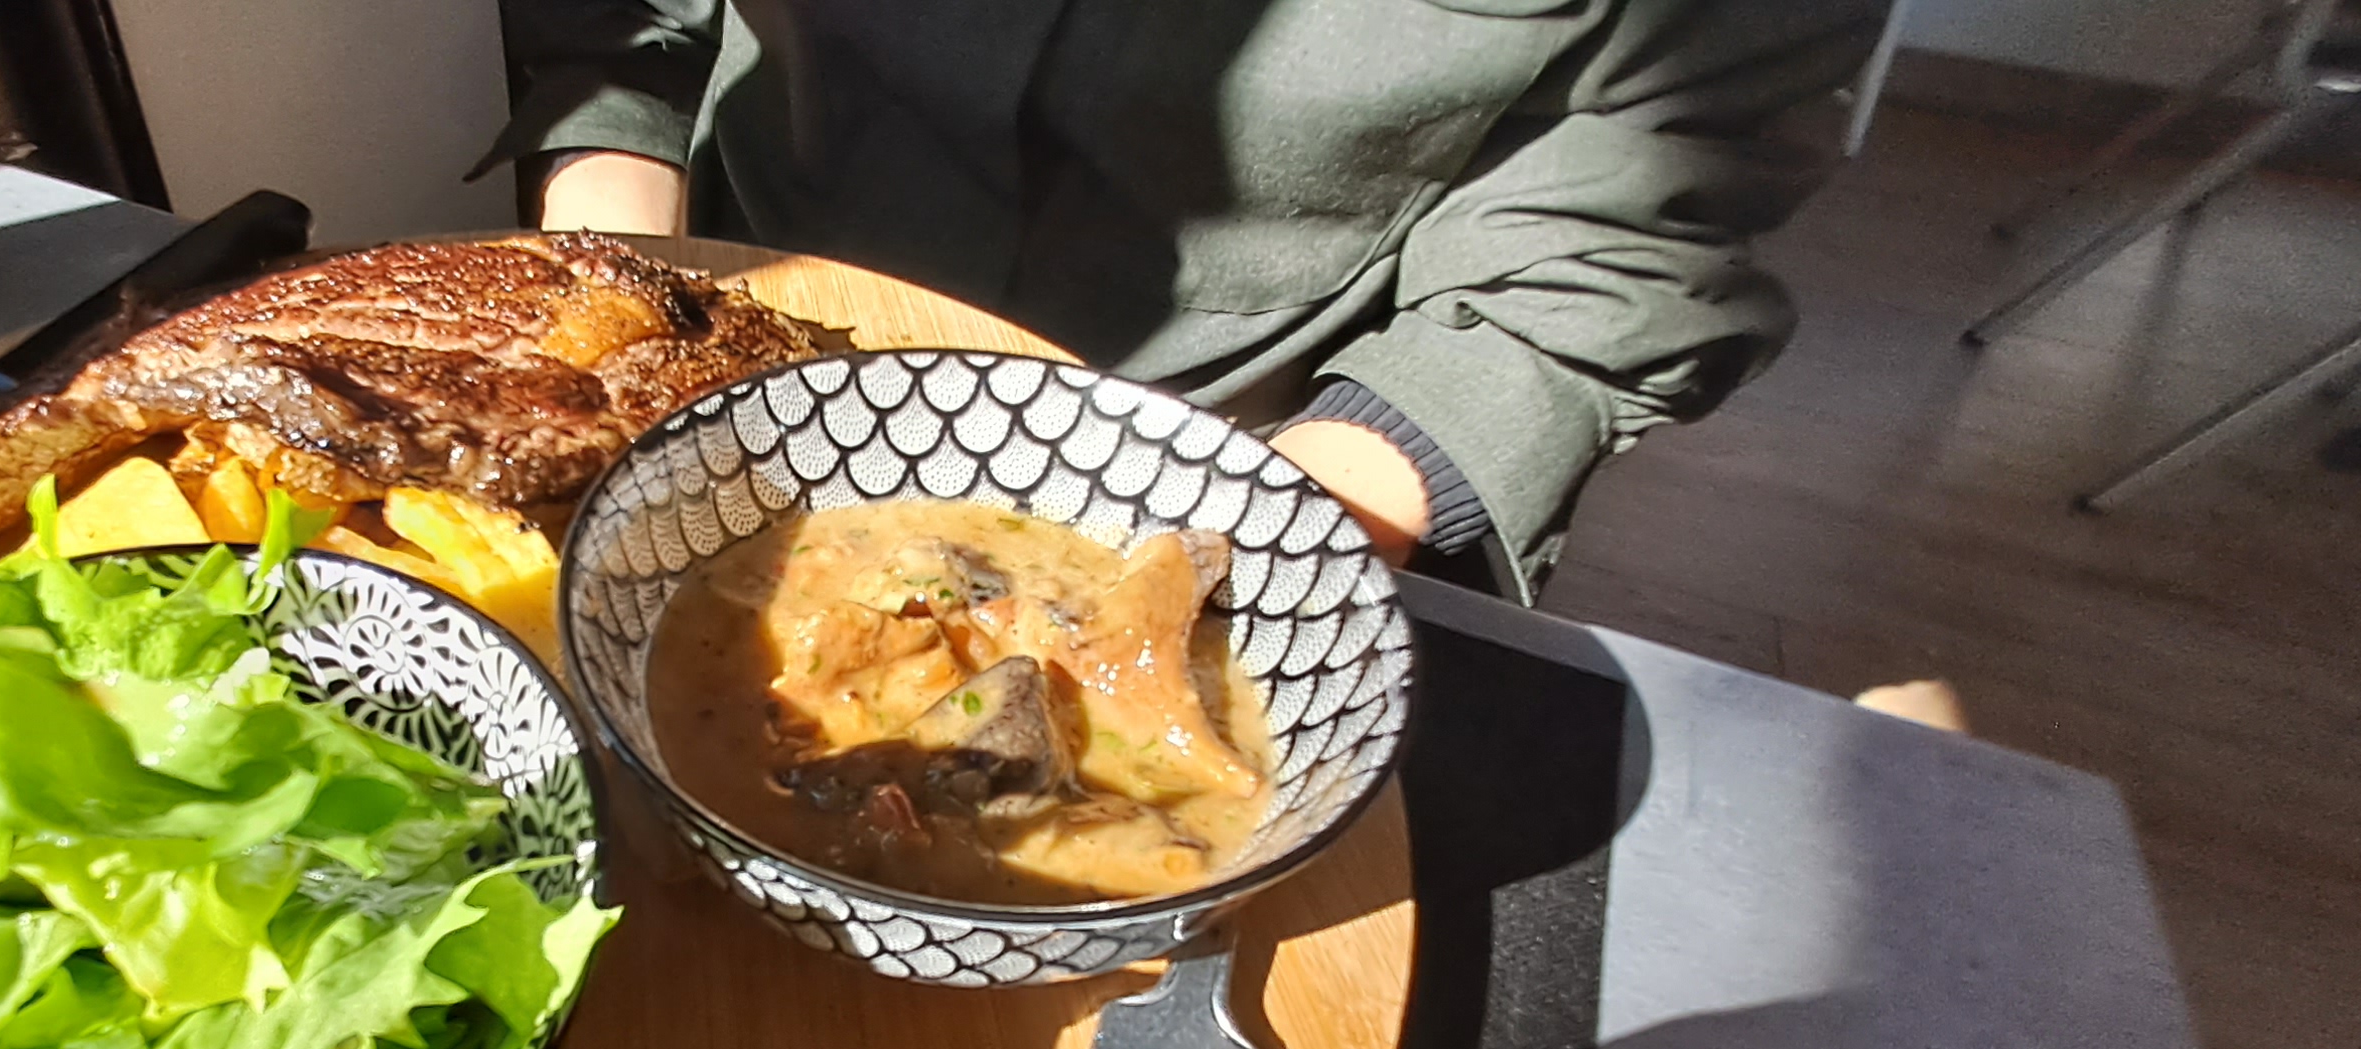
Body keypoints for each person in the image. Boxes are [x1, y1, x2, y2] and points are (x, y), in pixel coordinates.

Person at [480, 0, 1881, 600]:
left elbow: (1623, 224)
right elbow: (621, 19)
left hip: (1244, 444)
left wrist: (1216, 561)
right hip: (724, 309)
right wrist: (609, 308)